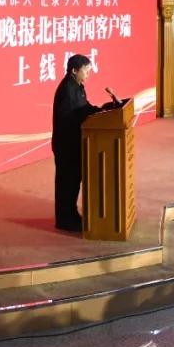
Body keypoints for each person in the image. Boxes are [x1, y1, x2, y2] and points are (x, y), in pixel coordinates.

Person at [52, 53, 116, 232]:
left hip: (75, 144)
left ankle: (71, 215)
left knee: (74, 183)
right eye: (85, 71)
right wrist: (92, 114)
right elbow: (70, 117)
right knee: (67, 183)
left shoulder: (77, 86)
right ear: (74, 70)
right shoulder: (67, 89)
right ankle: (65, 220)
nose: (88, 74)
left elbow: (84, 108)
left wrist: (102, 110)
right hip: (66, 145)